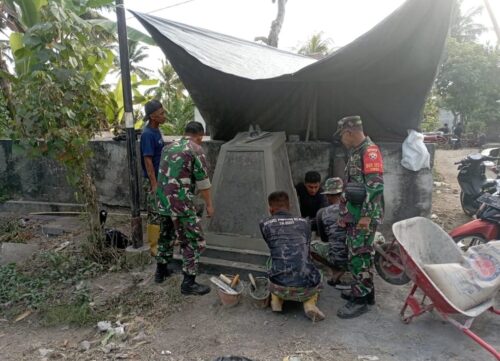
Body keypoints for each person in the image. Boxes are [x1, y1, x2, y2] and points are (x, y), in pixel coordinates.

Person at [334, 115, 384, 318]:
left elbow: (375, 187)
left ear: (349, 132)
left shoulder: (369, 152)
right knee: (360, 254)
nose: (341, 140)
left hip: (363, 216)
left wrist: (365, 217)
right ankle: (366, 291)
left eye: (342, 136)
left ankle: (360, 299)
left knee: (359, 255)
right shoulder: (357, 151)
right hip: (355, 214)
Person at [157, 121, 214, 295]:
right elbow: (203, 182)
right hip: (180, 203)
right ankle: (188, 283)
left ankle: (160, 272)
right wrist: (209, 205)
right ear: (200, 135)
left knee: (166, 235)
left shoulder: (168, 148)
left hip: (162, 202)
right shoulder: (195, 149)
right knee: (194, 240)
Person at [259, 191, 325, 322]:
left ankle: (277, 300)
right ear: (289, 206)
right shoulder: (305, 222)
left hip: (278, 285)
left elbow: (272, 245)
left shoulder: (264, 223)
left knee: (272, 258)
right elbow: (305, 245)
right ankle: (309, 303)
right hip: (306, 286)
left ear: (270, 208)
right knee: (317, 270)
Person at [140, 100, 175, 284]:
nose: (164, 115)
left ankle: (163, 263)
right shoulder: (147, 134)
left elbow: (158, 153)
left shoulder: (156, 131)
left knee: (164, 220)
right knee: (155, 221)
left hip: (161, 181)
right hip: (155, 183)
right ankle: (157, 264)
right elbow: (147, 160)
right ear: (153, 116)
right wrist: (154, 185)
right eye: (161, 113)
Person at [310, 177, 349, 290]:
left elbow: (325, 239)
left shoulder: (323, 213)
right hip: (357, 256)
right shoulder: (354, 209)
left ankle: (336, 270)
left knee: (311, 247)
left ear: (328, 195)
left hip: (338, 258)